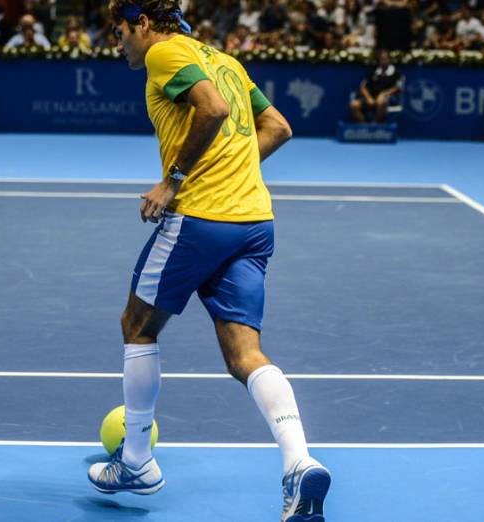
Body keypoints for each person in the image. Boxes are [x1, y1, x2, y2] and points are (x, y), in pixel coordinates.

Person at [87, 1, 332, 520]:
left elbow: (213, 110)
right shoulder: (226, 59)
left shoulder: (164, 53)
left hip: (201, 219)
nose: (118, 41)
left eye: (120, 31)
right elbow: (278, 127)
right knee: (245, 355)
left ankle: (136, 463)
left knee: (137, 324)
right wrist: (229, 169)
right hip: (254, 222)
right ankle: (299, 464)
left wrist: (173, 179)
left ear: (143, 24)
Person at [349, 48, 402, 123]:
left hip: (386, 99)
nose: (384, 61)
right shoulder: (373, 71)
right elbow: (363, 87)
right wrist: (369, 98)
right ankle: (365, 126)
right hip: (369, 98)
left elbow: (398, 87)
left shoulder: (395, 73)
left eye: (385, 59)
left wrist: (384, 94)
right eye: (382, 59)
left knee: (380, 102)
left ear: (390, 60)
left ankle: (376, 125)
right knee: (354, 104)